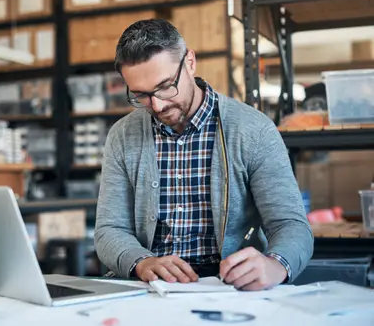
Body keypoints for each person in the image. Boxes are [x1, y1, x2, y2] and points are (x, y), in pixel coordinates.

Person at [94, 19, 313, 291]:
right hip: (149, 284)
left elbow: (290, 224)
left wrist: (276, 263)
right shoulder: (122, 136)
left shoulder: (253, 130)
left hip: (228, 285)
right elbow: (108, 230)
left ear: (190, 62)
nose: (158, 105)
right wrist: (141, 261)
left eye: (165, 86)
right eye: (141, 95)